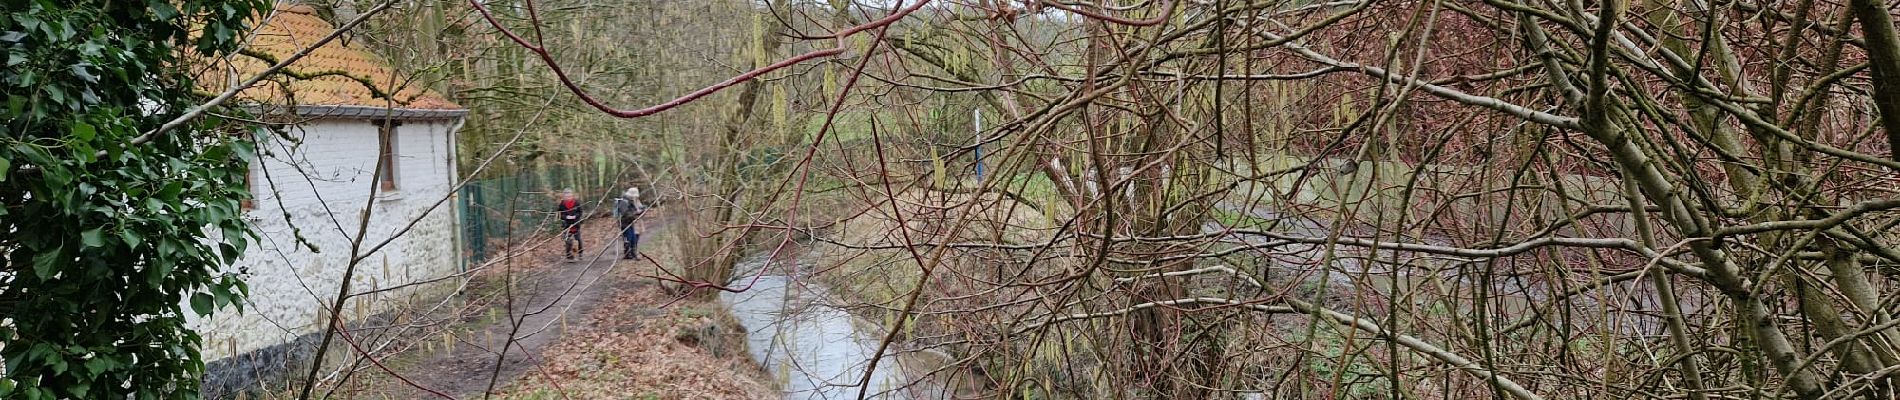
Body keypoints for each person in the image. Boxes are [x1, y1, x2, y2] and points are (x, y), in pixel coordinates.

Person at [612, 187, 648, 259]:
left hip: (630, 222)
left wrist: (640, 210)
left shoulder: (629, 200)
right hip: (624, 223)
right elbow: (625, 213)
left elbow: (633, 210)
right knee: (628, 238)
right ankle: (628, 254)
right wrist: (635, 213)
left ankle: (632, 253)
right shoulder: (624, 202)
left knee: (633, 238)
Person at [555, 189, 583, 261]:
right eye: (566, 196)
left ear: (572, 196)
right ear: (564, 197)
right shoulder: (562, 204)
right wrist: (566, 217)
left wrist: (575, 216)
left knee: (578, 239)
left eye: (570, 196)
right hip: (566, 225)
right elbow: (560, 214)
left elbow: (580, 212)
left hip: (576, 224)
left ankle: (580, 253)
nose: (568, 198)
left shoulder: (576, 203)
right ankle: (569, 256)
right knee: (568, 241)